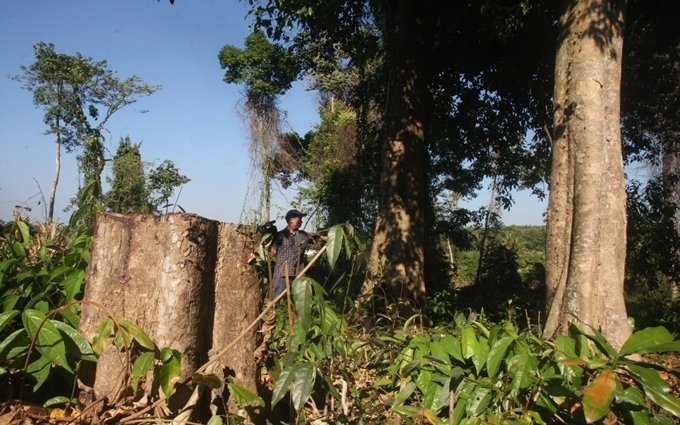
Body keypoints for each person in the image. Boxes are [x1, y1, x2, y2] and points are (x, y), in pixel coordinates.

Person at [270, 209, 312, 299]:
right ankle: (273, 312)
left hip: (298, 273)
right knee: (277, 298)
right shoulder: (280, 235)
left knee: (298, 299)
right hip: (282, 273)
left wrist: (329, 238)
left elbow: (318, 238)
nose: (301, 221)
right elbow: (272, 252)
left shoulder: (303, 235)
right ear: (291, 220)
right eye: (299, 218)